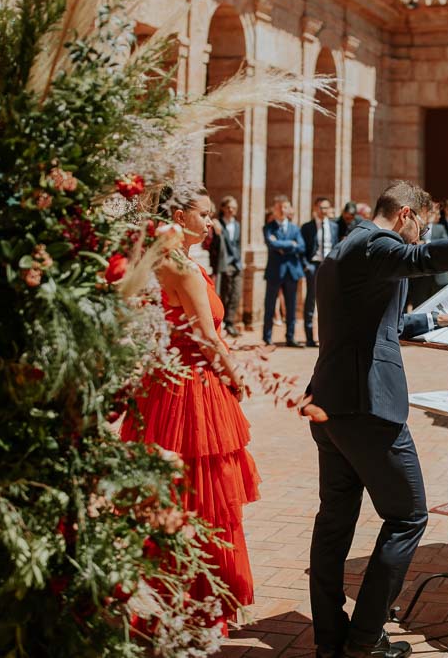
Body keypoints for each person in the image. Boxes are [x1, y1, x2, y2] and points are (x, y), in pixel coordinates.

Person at [300, 181, 448, 658]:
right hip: (368, 406)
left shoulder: (346, 248)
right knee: (408, 517)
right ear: (406, 215)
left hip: (330, 402)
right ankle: (365, 638)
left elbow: (374, 323)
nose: (419, 237)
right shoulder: (376, 243)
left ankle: (331, 638)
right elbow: (420, 259)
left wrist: (434, 320)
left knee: (334, 524)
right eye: (422, 227)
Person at [122, 184, 260, 623]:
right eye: (204, 213)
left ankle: (160, 591)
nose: (211, 221)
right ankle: (197, 597)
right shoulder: (183, 267)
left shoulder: (154, 260)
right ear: (179, 218)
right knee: (202, 491)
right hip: (193, 388)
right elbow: (208, 336)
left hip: (162, 384)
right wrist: (236, 377)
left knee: (168, 490)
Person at [263, 194, 306, 347]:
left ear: (289, 209)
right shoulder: (268, 227)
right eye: (279, 207)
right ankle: (267, 337)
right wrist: (291, 245)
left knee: (291, 307)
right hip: (275, 271)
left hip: (292, 271)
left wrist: (283, 245)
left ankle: (290, 337)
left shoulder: (295, 228)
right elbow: (271, 244)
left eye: (285, 207)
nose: (282, 210)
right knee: (269, 306)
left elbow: (301, 247)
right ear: (273, 210)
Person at [300, 197, 341, 347]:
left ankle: (328, 337)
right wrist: (306, 266)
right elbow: (302, 249)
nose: (324, 211)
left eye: (326, 208)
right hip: (314, 266)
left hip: (329, 266)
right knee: (311, 302)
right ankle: (309, 337)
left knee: (330, 302)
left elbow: (337, 247)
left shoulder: (334, 226)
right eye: (321, 208)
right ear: (315, 208)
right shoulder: (307, 227)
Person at [209, 195, 244, 337]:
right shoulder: (218, 224)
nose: (231, 210)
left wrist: (239, 261)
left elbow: (238, 244)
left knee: (236, 294)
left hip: (236, 264)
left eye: (233, 208)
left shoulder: (237, 225)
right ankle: (221, 323)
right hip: (223, 264)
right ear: (223, 208)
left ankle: (230, 322)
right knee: (224, 293)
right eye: (228, 207)